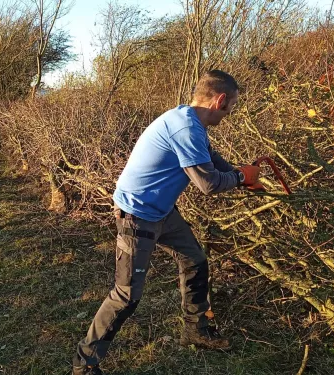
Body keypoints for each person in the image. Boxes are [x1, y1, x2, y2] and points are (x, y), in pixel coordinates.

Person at [72, 70, 262, 375]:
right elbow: (208, 184)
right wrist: (240, 177)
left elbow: (212, 158)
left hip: (161, 211)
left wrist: (242, 176)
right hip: (137, 215)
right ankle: (85, 362)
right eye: (232, 106)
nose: (230, 113)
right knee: (126, 297)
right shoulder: (184, 128)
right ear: (221, 100)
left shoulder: (190, 121)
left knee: (195, 260)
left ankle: (195, 329)